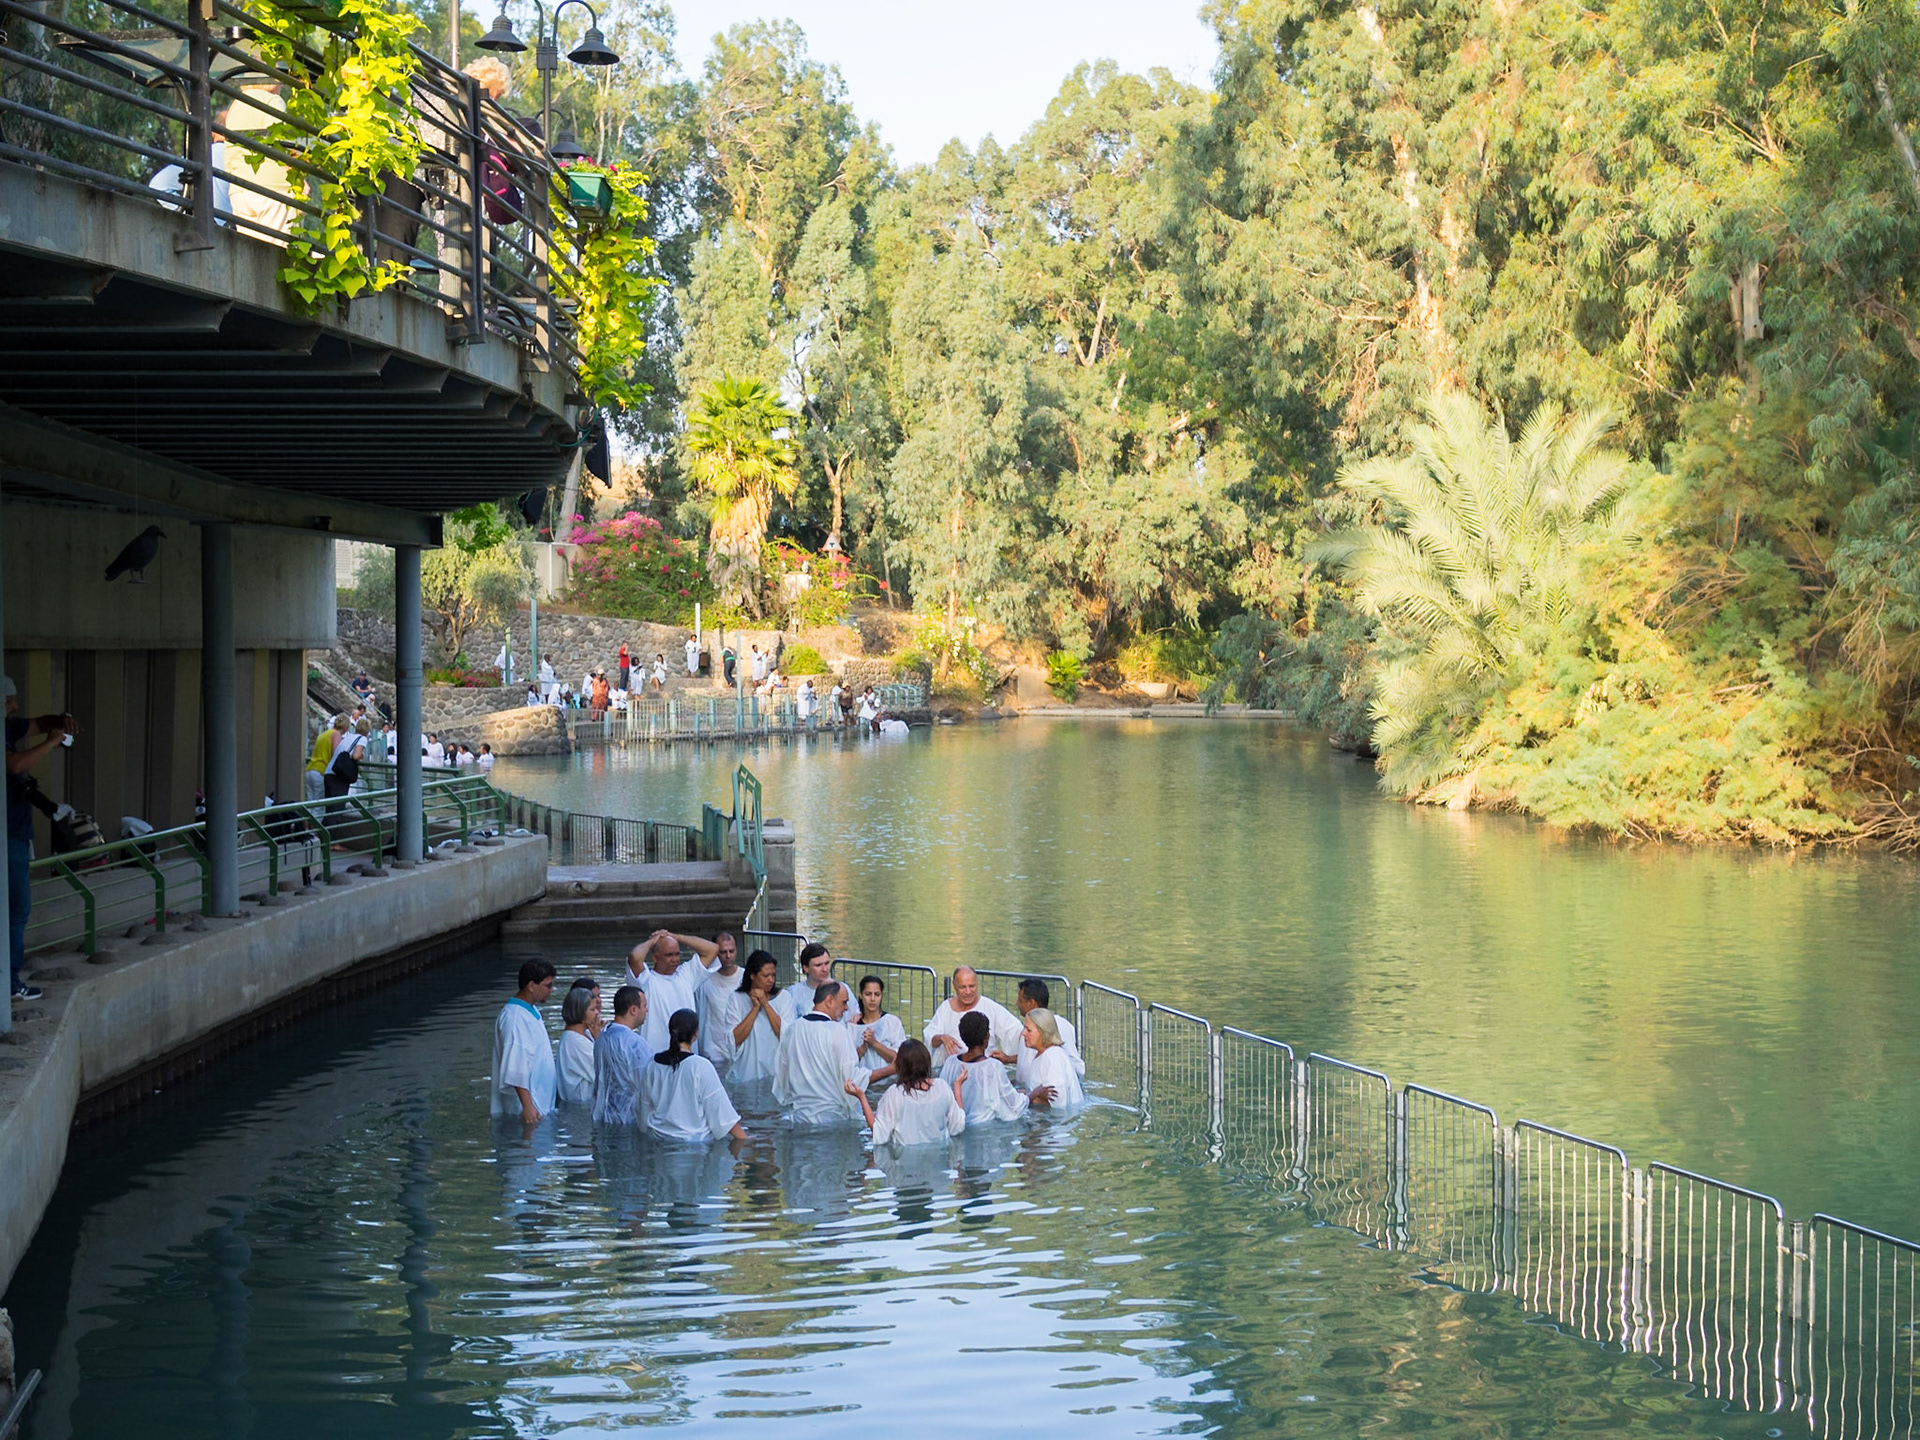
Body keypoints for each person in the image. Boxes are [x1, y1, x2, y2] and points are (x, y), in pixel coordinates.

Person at [6, 678, 72, 1003]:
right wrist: (52, 742)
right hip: (8, 840)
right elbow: (13, 765)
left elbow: (38, 722)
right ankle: (10, 983)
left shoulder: (7, 727)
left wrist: (60, 720)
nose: (15, 707)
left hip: (14, 837)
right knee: (16, 912)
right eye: (9, 701)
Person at [639, 1009, 746, 1143]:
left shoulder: (652, 1063)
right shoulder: (700, 1066)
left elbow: (644, 1110)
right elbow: (724, 1116)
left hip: (657, 1138)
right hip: (692, 1143)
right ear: (696, 1034)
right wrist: (746, 1141)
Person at [845, 1039, 965, 1146]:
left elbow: (880, 1135)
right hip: (938, 1163)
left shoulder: (895, 1094)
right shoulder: (942, 1087)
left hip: (904, 1164)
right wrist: (957, 1087)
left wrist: (862, 1097)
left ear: (900, 1066)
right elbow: (958, 1127)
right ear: (927, 1062)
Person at [773, 981, 861, 1123]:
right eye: (844, 1002)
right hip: (833, 1120)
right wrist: (888, 1070)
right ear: (829, 1001)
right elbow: (852, 1081)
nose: (846, 1008)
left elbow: (781, 1080)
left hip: (799, 1119)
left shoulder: (792, 1030)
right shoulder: (838, 1031)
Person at [624, 929, 720, 1055]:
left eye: (677, 954)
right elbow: (635, 958)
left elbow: (712, 949)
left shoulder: (686, 974)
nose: (675, 959)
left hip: (687, 1058)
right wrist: (653, 941)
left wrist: (675, 936)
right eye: (669, 955)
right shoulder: (645, 980)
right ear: (655, 957)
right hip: (655, 1059)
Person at [491, 960, 557, 1123]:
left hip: (538, 1105)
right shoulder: (514, 1019)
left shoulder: (530, 1010)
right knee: (525, 1148)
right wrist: (527, 1106)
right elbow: (516, 1066)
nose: (552, 990)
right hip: (526, 1111)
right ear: (531, 985)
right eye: (548, 985)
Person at [939, 1011, 1035, 1121]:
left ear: (961, 1035)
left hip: (957, 1123)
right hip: (986, 1128)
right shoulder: (994, 1067)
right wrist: (1034, 1093)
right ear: (987, 1036)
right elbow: (1016, 1104)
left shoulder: (950, 1062)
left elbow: (943, 1097)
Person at [925, 965, 1023, 1061]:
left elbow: (1014, 1030)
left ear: (977, 983)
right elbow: (930, 1036)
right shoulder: (945, 1008)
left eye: (972, 986)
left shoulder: (990, 1007)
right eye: (963, 987)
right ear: (954, 985)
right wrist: (942, 1038)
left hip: (983, 1067)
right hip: (952, 1067)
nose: (968, 992)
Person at [592, 985, 649, 1126]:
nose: (646, 1010)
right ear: (633, 1010)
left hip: (600, 1116)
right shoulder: (636, 1044)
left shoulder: (602, 1036)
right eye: (644, 1006)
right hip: (628, 1120)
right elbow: (648, 1085)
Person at [724, 950, 784, 1082]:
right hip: (746, 1073)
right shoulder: (735, 999)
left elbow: (785, 1035)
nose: (771, 980)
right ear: (752, 975)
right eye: (766, 976)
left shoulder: (784, 997)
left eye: (773, 975)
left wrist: (765, 1004)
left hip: (775, 1073)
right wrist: (755, 1008)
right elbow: (733, 1040)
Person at [1014, 979, 1084, 1089]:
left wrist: (1031, 1096)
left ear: (1031, 1002)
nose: (1017, 1004)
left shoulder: (1052, 1056)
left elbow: (1056, 1095)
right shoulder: (1031, 1028)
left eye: (1020, 1000)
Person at [1020, 1008, 1085, 1110]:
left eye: (1028, 1030)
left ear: (1043, 1032)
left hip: (1056, 1123)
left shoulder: (1053, 1057)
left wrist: (1026, 1098)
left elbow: (1059, 1102)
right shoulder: (1043, 1055)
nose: (1023, 1033)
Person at [693, 930, 741, 1065]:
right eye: (723, 952)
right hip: (711, 1054)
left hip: (739, 1053)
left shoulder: (747, 978)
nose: (728, 956)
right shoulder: (703, 980)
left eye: (731, 951)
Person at [849, 975, 905, 1085]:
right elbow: (848, 1061)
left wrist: (875, 1044)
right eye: (868, 994)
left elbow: (900, 1059)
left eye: (877, 994)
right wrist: (863, 1048)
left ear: (881, 996)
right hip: (862, 1084)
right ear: (860, 995)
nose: (873, 999)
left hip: (890, 1083)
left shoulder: (892, 1022)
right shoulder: (852, 1026)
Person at [776, 942, 850, 1022]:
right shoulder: (793, 993)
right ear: (806, 968)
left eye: (827, 963)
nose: (824, 969)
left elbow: (853, 1016)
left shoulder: (843, 989)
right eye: (818, 965)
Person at [556, 978, 600, 1105]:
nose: (597, 1013)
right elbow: (603, 1073)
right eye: (592, 1010)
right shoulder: (575, 1042)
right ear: (580, 1012)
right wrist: (599, 1040)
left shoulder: (582, 1035)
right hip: (581, 1109)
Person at [305, 714, 346, 801]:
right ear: (346, 727)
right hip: (321, 771)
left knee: (310, 803)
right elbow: (336, 754)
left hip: (310, 768)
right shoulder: (336, 734)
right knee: (319, 805)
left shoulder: (324, 734)